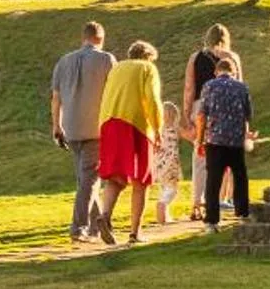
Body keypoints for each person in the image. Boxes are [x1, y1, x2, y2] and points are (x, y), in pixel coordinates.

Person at [89, 39, 164, 246]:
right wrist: (158, 128)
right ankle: (135, 232)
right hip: (136, 125)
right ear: (148, 56)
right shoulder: (147, 68)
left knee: (116, 178)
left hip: (109, 123)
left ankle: (104, 215)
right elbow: (153, 99)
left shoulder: (117, 68)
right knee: (142, 180)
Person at [50, 20, 115, 242]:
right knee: (89, 181)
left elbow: (56, 98)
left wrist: (56, 126)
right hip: (95, 129)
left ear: (83, 37)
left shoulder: (63, 61)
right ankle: (78, 227)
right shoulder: (106, 60)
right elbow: (113, 93)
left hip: (71, 127)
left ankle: (98, 227)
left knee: (85, 180)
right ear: (101, 39)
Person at [195, 48, 254, 229]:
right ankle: (242, 212)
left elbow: (201, 115)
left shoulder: (209, 86)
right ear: (233, 72)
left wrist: (199, 138)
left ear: (216, 71)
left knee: (213, 179)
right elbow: (247, 115)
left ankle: (212, 221)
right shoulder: (242, 87)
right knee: (240, 176)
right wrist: (246, 135)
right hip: (235, 140)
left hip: (215, 139)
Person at [182, 21, 231, 222]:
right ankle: (219, 201)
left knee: (200, 157)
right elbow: (240, 85)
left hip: (200, 107)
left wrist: (186, 115)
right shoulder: (231, 57)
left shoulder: (195, 58)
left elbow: (189, 88)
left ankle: (197, 204)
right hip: (225, 107)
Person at [151, 98, 184, 226]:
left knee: (164, 187)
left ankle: (164, 217)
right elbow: (189, 136)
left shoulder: (157, 130)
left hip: (159, 162)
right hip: (171, 163)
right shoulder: (175, 128)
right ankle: (162, 204)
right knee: (172, 190)